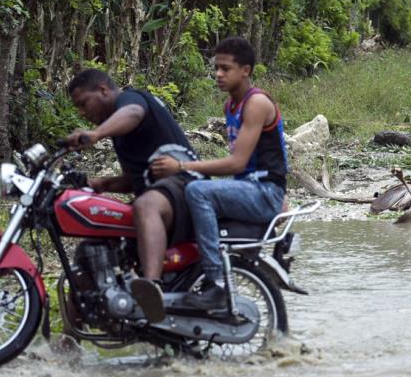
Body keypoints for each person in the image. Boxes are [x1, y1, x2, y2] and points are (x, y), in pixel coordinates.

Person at [150, 37, 288, 310]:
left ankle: (216, 283)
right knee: (190, 191)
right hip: (249, 188)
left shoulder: (256, 103)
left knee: (197, 190)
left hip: (264, 192)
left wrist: (181, 166)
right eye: (216, 68)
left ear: (245, 70)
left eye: (225, 68)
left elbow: (237, 163)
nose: (218, 74)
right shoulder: (230, 106)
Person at [66, 69, 196, 322]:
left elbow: (134, 113)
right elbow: (132, 180)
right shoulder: (120, 134)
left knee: (145, 205)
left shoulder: (131, 100)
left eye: (83, 104)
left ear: (103, 90)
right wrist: (101, 184)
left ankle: (152, 286)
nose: (82, 112)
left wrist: (96, 134)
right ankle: (70, 340)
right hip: (161, 196)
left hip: (184, 186)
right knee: (91, 251)